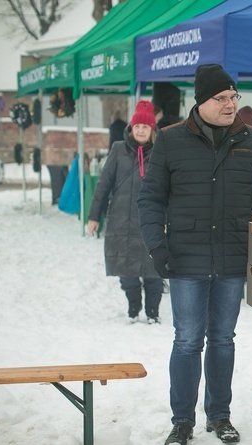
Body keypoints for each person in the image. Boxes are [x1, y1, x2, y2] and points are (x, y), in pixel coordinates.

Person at [137, 64, 252, 445]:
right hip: (185, 258)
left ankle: (219, 414)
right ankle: (181, 422)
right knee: (187, 341)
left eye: (234, 97)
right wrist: (157, 246)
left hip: (233, 258)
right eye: (221, 98)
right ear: (201, 101)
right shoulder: (169, 141)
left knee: (222, 339)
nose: (230, 104)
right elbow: (150, 198)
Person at [88, 101, 163, 324]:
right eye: (137, 125)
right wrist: (94, 216)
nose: (140, 130)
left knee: (154, 273)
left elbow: (170, 190)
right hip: (121, 221)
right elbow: (103, 184)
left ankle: (152, 313)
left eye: (145, 126)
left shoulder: (161, 153)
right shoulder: (118, 149)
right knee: (126, 271)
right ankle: (134, 307)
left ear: (152, 131)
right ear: (131, 128)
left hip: (152, 223)